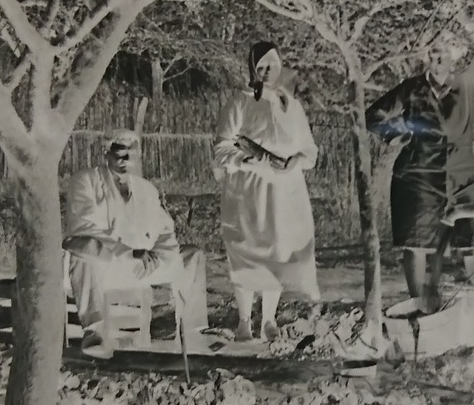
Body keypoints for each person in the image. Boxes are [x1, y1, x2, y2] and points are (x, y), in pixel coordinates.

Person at [366, 32, 474, 313]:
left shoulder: (467, 82)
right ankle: (422, 313)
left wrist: (471, 24)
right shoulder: (412, 88)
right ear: (426, 56)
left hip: (462, 177)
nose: (439, 60)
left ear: (456, 56)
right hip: (418, 176)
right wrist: (397, 135)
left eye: (445, 54)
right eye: (433, 54)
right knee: (418, 245)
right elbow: (373, 116)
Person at [63, 130, 209, 359]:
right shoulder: (86, 181)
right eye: (119, 154)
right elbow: (83, 227)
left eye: (130, 155)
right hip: (103, 267)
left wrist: (158, 258)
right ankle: (94, 330)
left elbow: (164, 231)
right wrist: (128, 253)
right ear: (106, 153)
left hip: (141, 267)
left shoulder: (146, 189)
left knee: (192, 255)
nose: (124, 161)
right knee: (83, 249)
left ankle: (192, 332)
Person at [213, 41, 321, 342]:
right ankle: (245, 321)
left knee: (277, 251)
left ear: (280, 66)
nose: (267, 72)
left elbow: (309, 150)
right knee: (247, 252)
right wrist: (247, 161)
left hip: (284, 192)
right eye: (260, 67)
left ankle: (269, 319)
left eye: (272, 65)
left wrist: (295, 161)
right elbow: (222, 149)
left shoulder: (291, 105)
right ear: (252, 70)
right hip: (248, 191)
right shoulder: (240, 103)